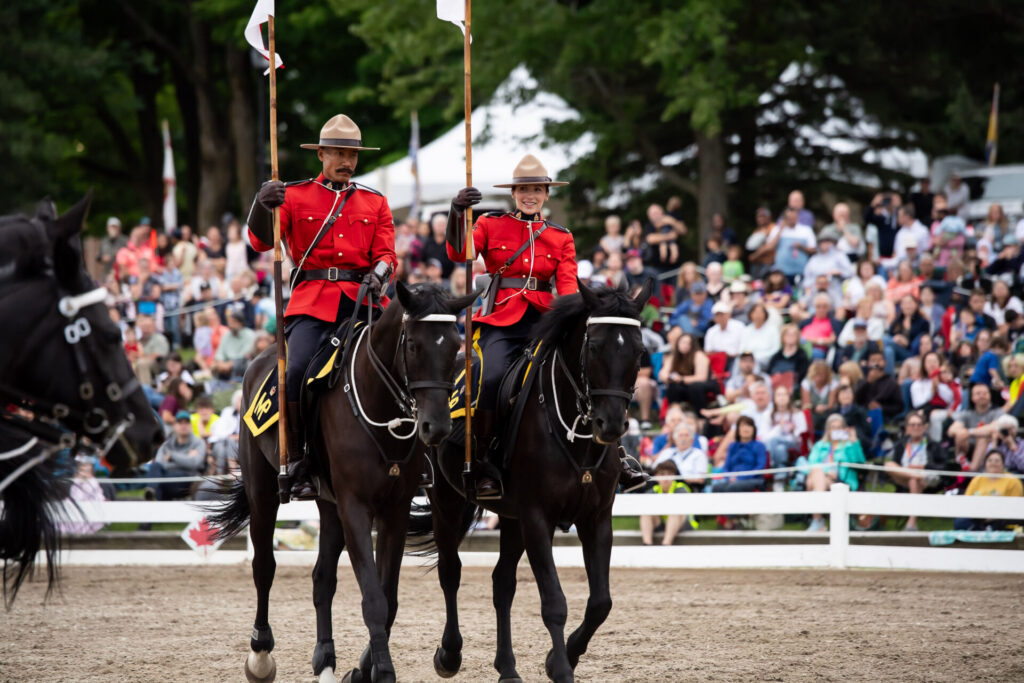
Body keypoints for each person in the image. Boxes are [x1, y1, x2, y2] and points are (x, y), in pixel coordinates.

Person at [449, 154, 645, 497]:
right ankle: (484, 462)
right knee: (491, 376)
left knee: (587, 373)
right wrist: (456, 213)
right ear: (513, 193)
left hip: (544, 321)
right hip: (500, 322)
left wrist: (572, 317)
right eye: (524, 189)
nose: (530, 195)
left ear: (546, 195)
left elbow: (568, 285)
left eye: (536, 189)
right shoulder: (489, 225)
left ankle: (614, 455)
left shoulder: (560, 236)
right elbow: (460, 253)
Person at [248, 114, 397, 498]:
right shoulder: (294, 196)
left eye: (352, 154)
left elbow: (387, 254)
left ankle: (410, 457)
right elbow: (261, 243)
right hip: (313, 304)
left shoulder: (374, 201)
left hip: (363, 302)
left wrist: (378, 275)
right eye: (338, 153)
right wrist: (261, 205)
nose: (347, 160)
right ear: (320, 154)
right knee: (295, 370)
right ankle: (298, 457)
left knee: (405, 364)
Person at [801, 414, 865, 531]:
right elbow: (812, 463)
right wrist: (827, 472)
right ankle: (818, 519)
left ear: (844, 429)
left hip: (843, 480)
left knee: (814, 480)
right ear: (828, 429)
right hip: (822, 479)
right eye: (833, 427)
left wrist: (854, 443)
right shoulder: (820, 445)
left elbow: (860, 462)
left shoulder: (849, 444)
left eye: (839, 427)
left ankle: (818, 520)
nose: (836, 430)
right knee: (817, 472)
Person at [884, 411, 945, 531]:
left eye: (919, 424)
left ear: (924, 427)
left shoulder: (934, 445)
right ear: (907, 428)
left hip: (927, 478)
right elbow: (895, 464)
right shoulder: (900, 445)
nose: (916, 427)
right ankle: (915, 476)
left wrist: (923, 468)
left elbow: (943, 466)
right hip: (904, 476)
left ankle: (911, 523)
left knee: (913, 481)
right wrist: (911, 472)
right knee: (888, 464)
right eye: (912, 425)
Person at [953, 450, 1023, 530]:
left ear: (1003, 464)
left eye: (997, 460)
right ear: (985, 464)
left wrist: (995, 515)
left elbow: (1015, 507)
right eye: (990, 460)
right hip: (977, 517)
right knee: (960, 523)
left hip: (1001, 519)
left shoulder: (1013, 481)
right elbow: (967, 501)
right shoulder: (978, 479)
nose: (993, 463)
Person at [145, 411, 207, 501]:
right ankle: (151, 492)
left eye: (186, 422)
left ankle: (152, 496)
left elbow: (195, 463)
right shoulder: (166, 445)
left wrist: (171, 457)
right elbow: (160, 464)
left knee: (159, 482)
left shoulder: (199, 443)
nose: (183, 425)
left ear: (191, 425)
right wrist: (186, 460)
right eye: (180, 423)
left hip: (188, 479)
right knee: (155, 467)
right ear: (175, 426)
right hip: (167, 478)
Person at [948, 384, 1004, 472]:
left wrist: (969, 432)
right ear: (972, 397)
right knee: (959, 434)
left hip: (988, 447)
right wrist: (961, 432)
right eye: (978, 394)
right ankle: (960, 463)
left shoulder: (997, 412)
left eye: (985, 393)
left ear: (990, 395)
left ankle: (972, 470)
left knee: (983, 437)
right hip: (967, 446)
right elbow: (951, 430)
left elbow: (993, 427)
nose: (982, 396)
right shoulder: (967, 413)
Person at [659, 333, 718, 412]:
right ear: (678, 343)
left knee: (695, 387)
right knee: (673, 386)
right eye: (683, 342)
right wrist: (669, 378)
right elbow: (663, 373)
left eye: (688, 343)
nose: (685, 345)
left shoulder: (699, 355)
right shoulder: (674, 356)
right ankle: (675, 411)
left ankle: (701, 416)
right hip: (685, 384)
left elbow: (701, 378)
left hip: (703, 385)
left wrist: (682, 379)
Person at [639, 461, 694, 546]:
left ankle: (666, 545)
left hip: (682, 524)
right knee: (646, 514)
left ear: (674, 476)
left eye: (669, 474)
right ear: (656, 477)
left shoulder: (681, 488)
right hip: (662, 523)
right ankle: (647, 544)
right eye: (662, 474)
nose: (666, 477)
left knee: (675, 513)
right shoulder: (654, 490)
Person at [712, 416, 767, 493]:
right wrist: (729, 477)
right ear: (738, 429)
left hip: (753, 479)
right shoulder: (732, 446)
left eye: (749, 425)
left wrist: (741, 478)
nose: (746, 428)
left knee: (734, 487)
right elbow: (726, 467)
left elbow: (760, 467)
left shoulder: (759, 445)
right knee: (716, 488)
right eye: (743, 426)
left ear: (754, 429)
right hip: (733, 480)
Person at [651, 422, 708, 490]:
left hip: (688, 489)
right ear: (675, 439)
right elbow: (654, 470)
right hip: (663, 488)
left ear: (692, 440)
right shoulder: (667, 452)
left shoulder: (699, 454)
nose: (683, 438)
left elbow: (700, 480)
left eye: (686, 435)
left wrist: (678, 478)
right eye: (680, 435)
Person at [764, 384, 809, 470]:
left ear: (789, 397)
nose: (782, 397)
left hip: (794, 443)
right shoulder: (768, 414)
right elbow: (765, 438)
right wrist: (779, 428)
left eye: (785, 394)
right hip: (775, 444)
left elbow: (802, 435)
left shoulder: (798, 414)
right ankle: (781, 475)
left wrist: (792, 431)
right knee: (780, 448)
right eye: (779, 395)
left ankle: (772, 463)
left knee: (775, 441)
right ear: (774, 398)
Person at [854, 349, 904, 422]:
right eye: (873, 360)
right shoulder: (863, 381)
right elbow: (857, 400)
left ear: (885, 362)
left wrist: (881, 408)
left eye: (879, 360)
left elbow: (898, 406)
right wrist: (868, 382)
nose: (876, 363)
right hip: (864, 415)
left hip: (884, 416)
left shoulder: (892, 383)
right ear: (868, 363)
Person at [97, 216, 127, 281]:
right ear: (107, 228)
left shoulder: (125, 241)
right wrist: (103, 258)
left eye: (115, 227)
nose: (113, 229)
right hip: (106, 273)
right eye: (111, 227)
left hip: (121, 274)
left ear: (119, 228)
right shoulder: (104, 241)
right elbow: (98, 257)